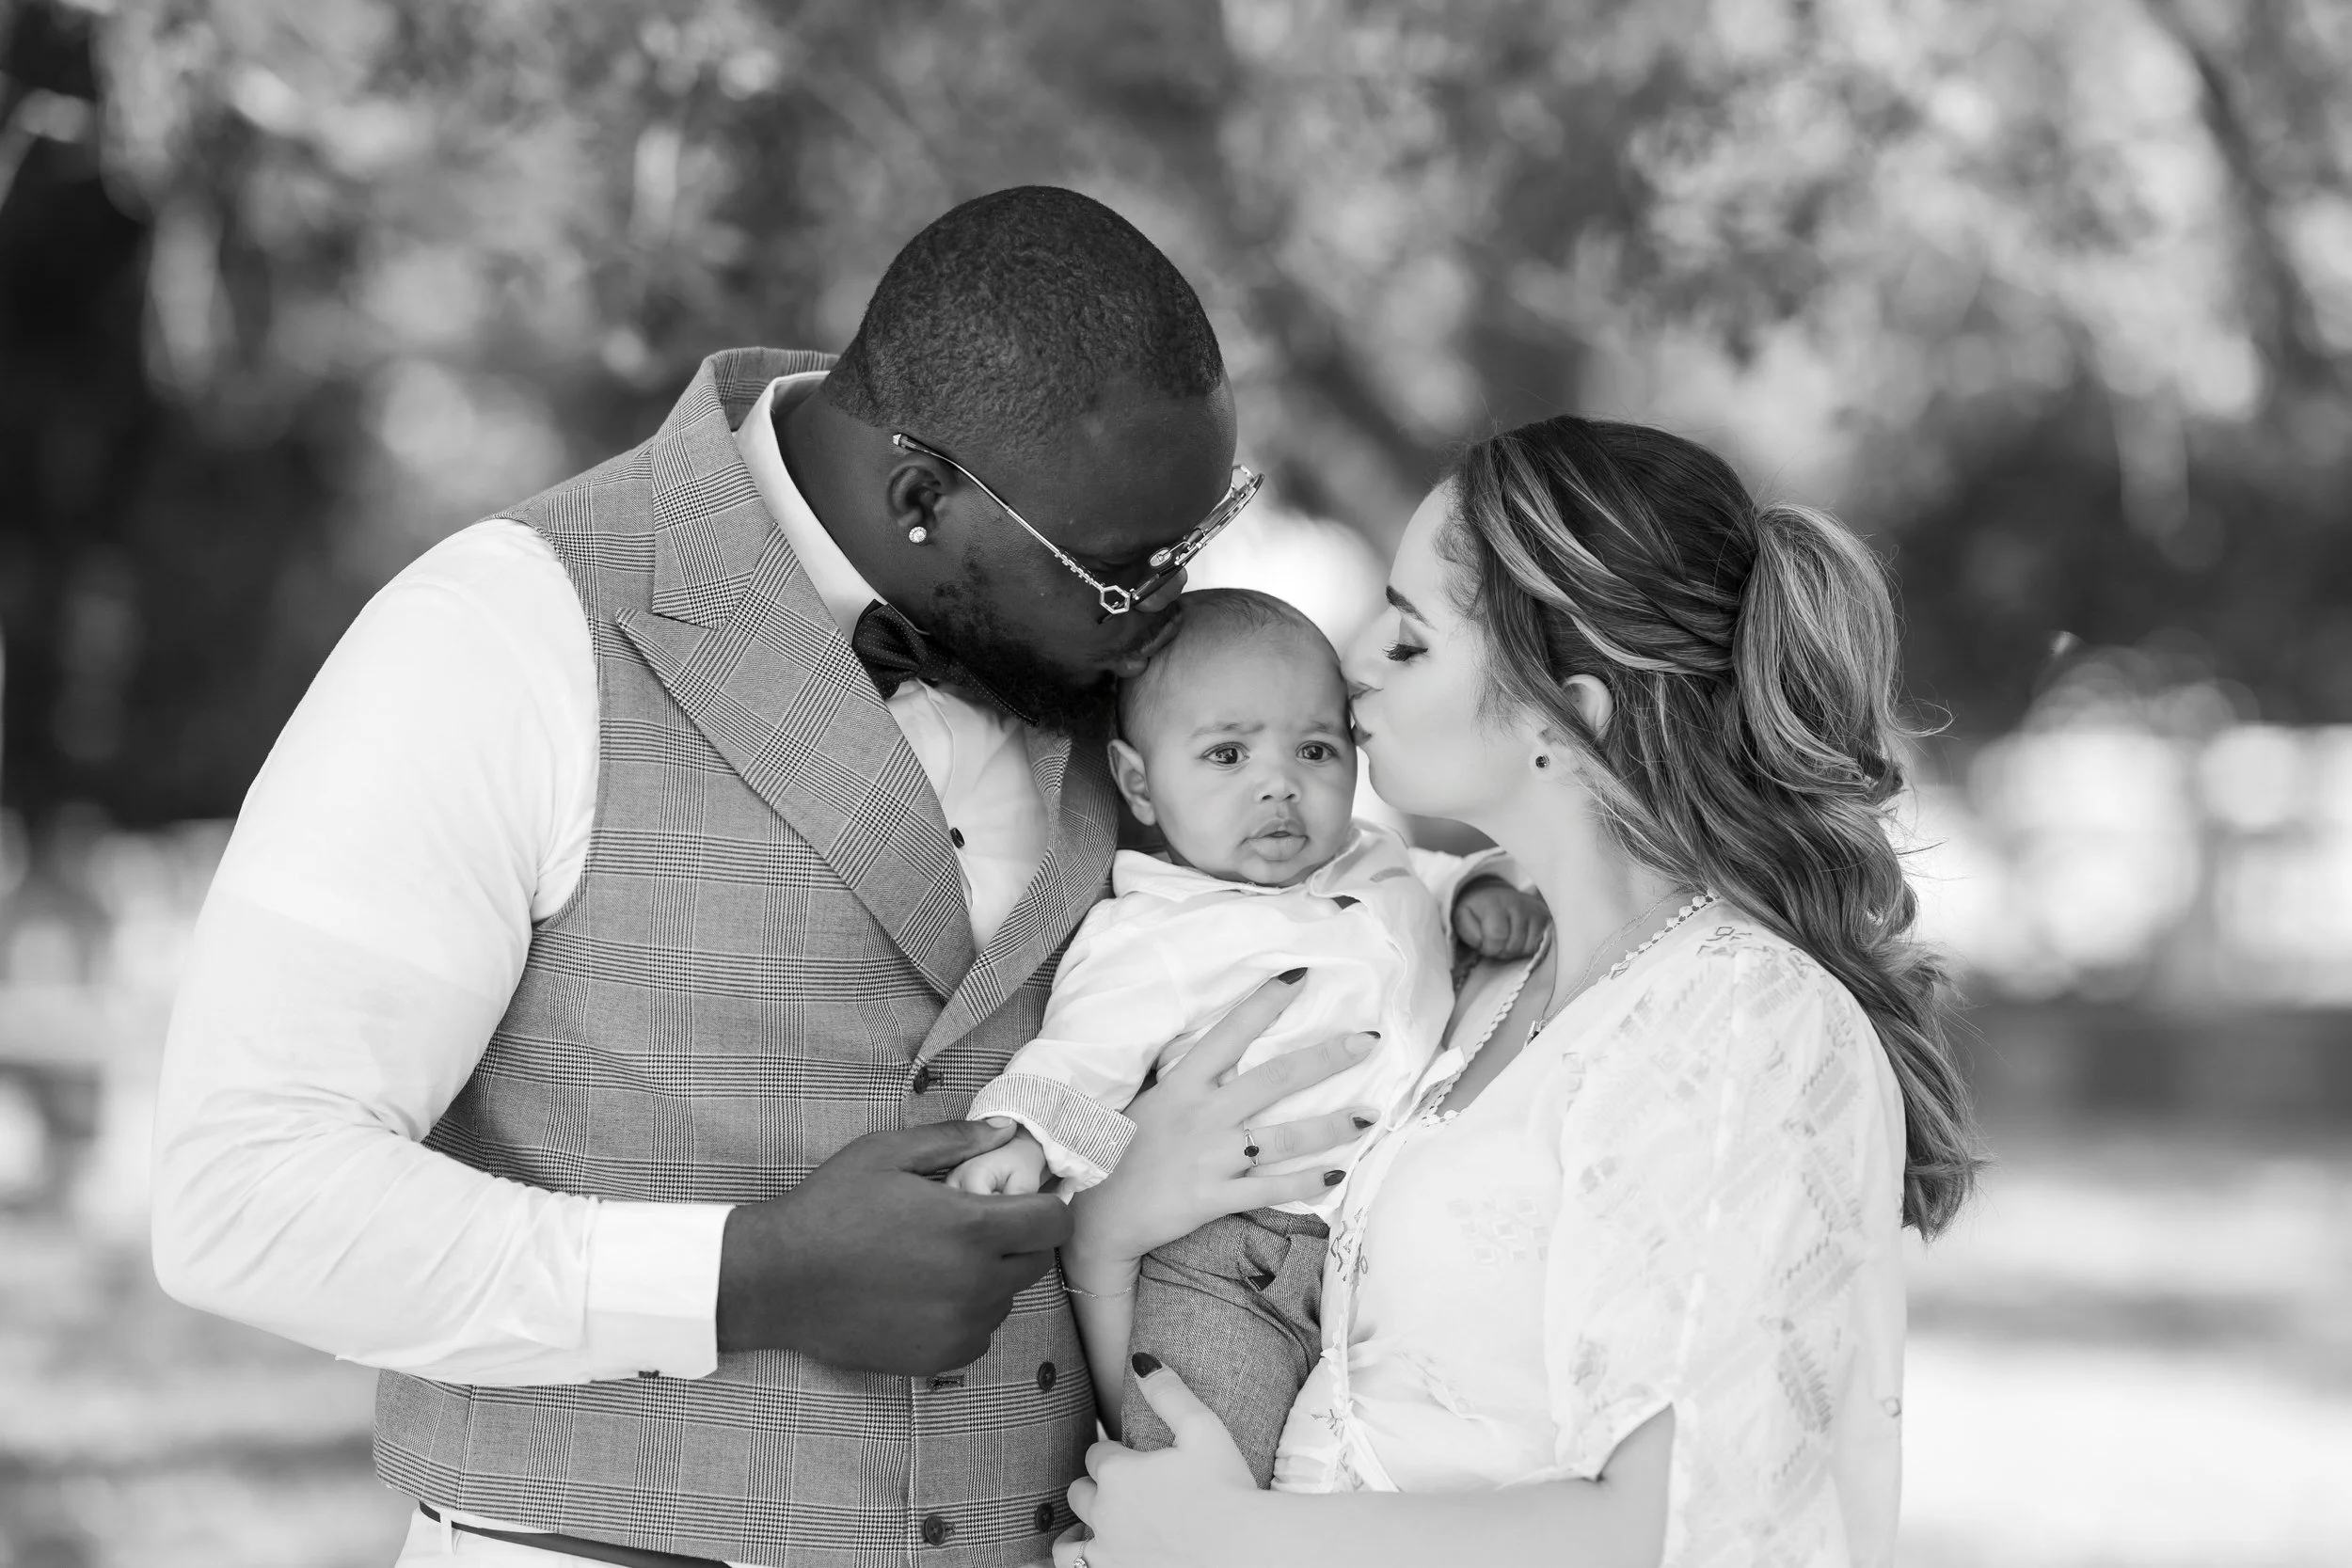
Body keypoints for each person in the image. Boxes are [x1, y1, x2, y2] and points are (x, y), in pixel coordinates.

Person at [149, 186, 1369, 1568]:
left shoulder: (1105, 672)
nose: (1161, 613)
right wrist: (752, 1274)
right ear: (922, 497)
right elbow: (242, 1196)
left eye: (1189, 550)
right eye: (1115, 574)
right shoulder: (499, 632)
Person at [1051, 416, 1983, 1567]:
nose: (1349, 667)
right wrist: (1105, 1237)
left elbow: (1682, 1521)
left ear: (1565, 713)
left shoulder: (1740, 1020)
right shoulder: (1473, 980)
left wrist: (1242, 1537)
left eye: (1409, 638)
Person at [943, 587, 1549, 1484]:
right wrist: (1026, 1143)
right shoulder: (1156, 931)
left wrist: (1480, 896)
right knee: (1203, 1465)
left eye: (1314, 749)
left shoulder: (1373, 858)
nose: (1279, 783)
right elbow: (1082, 1055)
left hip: (1369, 1247)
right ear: (1141, 781)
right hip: (1223, 1256)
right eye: (1226, 754)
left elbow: (1440, 874)